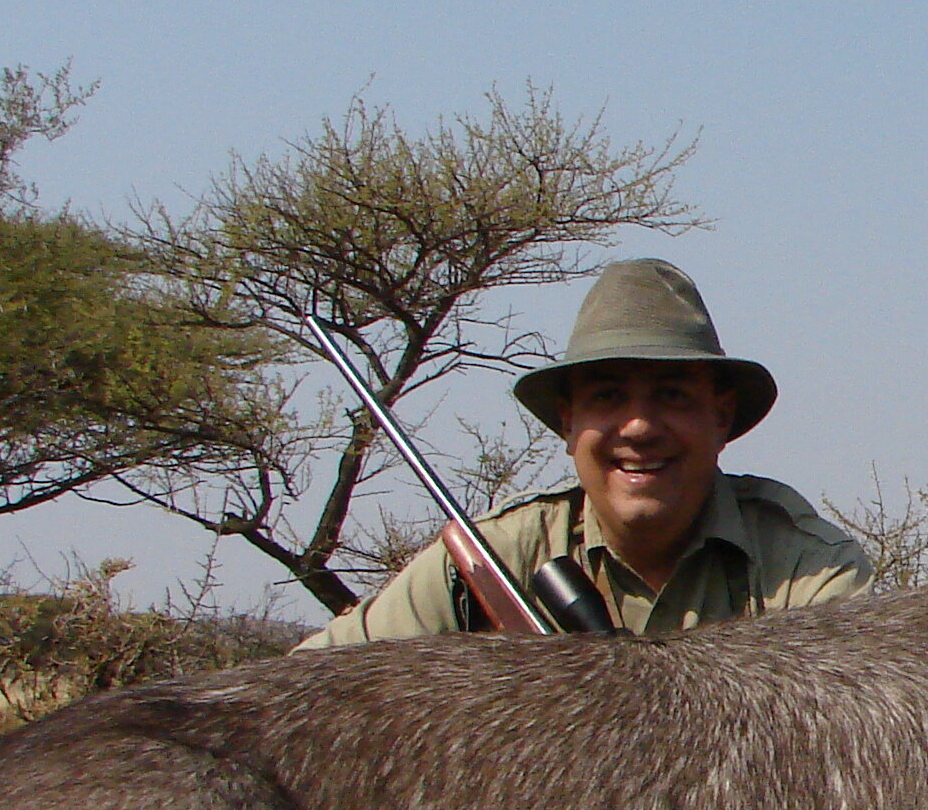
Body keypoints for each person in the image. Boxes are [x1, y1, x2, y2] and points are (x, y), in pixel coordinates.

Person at [299, 259, 873, 647]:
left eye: (672, 395)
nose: (640, 426)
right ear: (568, 422)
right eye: (608, 396)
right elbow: (307, 688)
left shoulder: (808, 570)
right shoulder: (488, 559)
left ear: (720, 418)